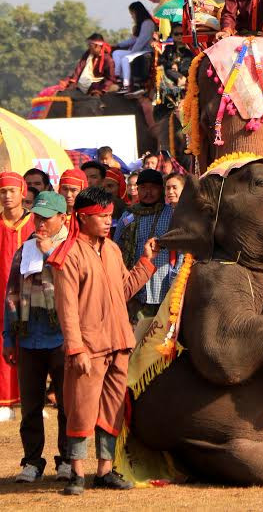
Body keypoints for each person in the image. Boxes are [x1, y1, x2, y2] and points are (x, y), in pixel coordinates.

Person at [50, 187, 157, 495]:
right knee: (81, 408)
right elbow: (66, 308)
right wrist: (75, 347)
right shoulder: (68, 255)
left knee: (111, 408)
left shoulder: (110, 250)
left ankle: (104, 472)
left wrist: (146, 262)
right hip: (88, 346)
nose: (109, 222)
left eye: (110, 216)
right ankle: (77, 475)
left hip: (118, 340)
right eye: (102, 217)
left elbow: (123, 290)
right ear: (83, 219)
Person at [3, 191, 72, 482]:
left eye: (47, 217)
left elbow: (73, 284)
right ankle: (32, 462)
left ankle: (68, 460)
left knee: (67, 406)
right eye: (37, 217)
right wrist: (9, 337)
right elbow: (11, 294)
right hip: (29, 338)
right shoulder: (23, 249)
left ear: (62, 217)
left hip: (63, 338)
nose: (40, 223)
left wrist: (49, 253)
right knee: (31, 407)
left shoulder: (72, 247)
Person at [113, 170, 176, 322]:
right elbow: (116, 247)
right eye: (143, 187)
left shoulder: (172, 215)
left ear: (161, 189)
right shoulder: (128, 215)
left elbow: (180, 251)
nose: (148, 192)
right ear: (137, 189)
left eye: (153, 187)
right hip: (134, 290)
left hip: (163, 290)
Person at [0, 172, 35, 421]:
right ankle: (5, 400)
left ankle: (31, 399)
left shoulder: (34, 222)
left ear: (22, 192)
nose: (7, 195)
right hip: (1, 295)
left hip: (32, 295)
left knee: (32, 346)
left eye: (12, 190)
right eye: (3, 191)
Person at [112, 2, 156, 93]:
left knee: (125, 59)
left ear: (137, 12)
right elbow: (133, 40)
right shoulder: (140, 24)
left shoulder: (148, 23)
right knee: (116, 53)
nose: (132, 16)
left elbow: (141, 41)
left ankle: (126, 84)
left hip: (145, 51)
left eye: (132, 13)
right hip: (137, 50)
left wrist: (132, 53)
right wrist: (118, 45)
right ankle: (118, 76)